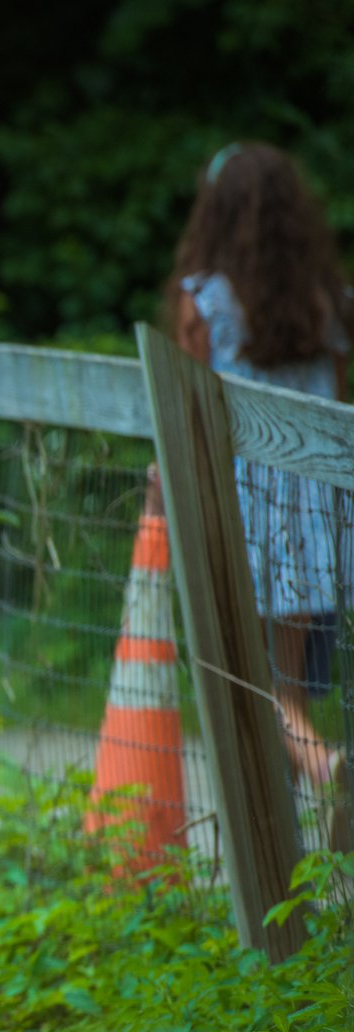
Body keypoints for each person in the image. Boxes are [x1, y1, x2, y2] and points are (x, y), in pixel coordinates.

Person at [166, 141, 351, 828]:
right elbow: (333, 410)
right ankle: (296, 830)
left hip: (239, 510)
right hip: (313, 511)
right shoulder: (328, 304)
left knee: (250, 683)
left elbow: (190, 414)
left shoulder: (204, 304)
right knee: (287, 679)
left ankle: (326, 772)